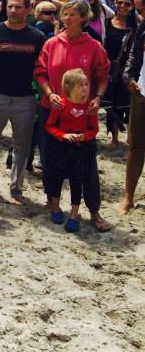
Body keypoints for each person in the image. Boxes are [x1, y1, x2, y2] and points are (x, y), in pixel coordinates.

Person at [34, 0, 110, 230]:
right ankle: (53, 204)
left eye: (72, 15)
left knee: (86, 166)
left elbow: (103, 75)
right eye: (64, 14)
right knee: (52, 162)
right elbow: (40, 72)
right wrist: (49, 94)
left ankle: (94, 212)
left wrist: (97, 98)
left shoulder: (94, 46)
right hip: (54, 110)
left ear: (83, 18)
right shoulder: (52, 43)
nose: (67, 19)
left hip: (81, 114)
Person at [0, 0, 47, 203]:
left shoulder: (37, 37)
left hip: (25, 99)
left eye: (18, 7)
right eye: (10, 7)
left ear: (28, 9)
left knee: (22, 148)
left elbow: (41, 68)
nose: (13, 10)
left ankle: (16, 188)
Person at [44, 69, 105, 233]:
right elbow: (50, 125)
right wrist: (63, 135)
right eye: (81, 85)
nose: (85, 88)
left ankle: (74, 214)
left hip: (80, 149)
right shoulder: (61, 105)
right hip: (61, 146)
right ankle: (55, 208)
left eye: (87, 84)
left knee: (76, 180)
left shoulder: (89, 107)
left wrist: (85, 136)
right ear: (69, 87)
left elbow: (94, 129)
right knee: (56, 177)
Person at [120, 0, 145, 214]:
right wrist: (128, 77)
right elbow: (134, 55)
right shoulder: (143, 26)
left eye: (142, 10)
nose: (140, 15)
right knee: (136, 147)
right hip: (141, 93)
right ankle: (128, 196)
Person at [104, 0, 136, 145]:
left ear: (132, 7)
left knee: (129, 105)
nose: (122, 6)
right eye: (119, 2)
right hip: (110, 70)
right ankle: (115, 138)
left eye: (127, 4)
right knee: (112, 103)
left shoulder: (135, 26)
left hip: (128, 70)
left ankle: (131, 138)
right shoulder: (107, 23)